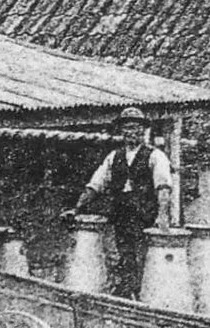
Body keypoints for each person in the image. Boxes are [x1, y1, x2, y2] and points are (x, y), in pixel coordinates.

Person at [68, 107, 173, 298]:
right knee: (123, 255)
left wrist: (162, 215)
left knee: (143, 256)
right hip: (122, 214)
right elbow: (95, 185)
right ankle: (126, 292)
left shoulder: (155, 156)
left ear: (143, 131)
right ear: (121, 132)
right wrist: (76, 208)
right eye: (126, 129)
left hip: (145, 216)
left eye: (135, 128)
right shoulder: (113, 157)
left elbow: (163, 187)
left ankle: (142, 294)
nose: (130, 132)